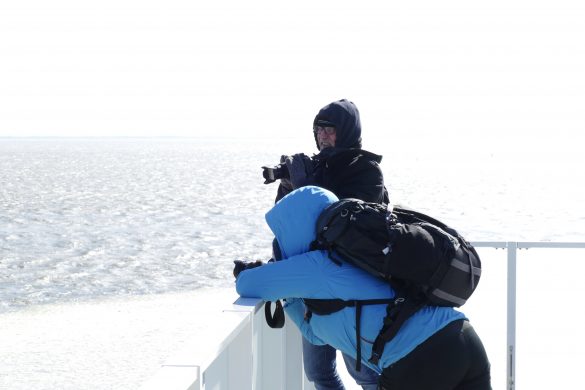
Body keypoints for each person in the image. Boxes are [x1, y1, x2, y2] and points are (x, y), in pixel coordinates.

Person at [235, 186, 492, 390]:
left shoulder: (319, 265)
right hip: (462, 338)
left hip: (417, 360)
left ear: (294, 228)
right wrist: (289, 295)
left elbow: (248, 283)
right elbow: (315, 334)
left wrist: (265, 271)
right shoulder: (351, 261)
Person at [266, 99, 387, 389]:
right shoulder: (318, 166)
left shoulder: (366, 171)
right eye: (318, 129)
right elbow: (287, 221)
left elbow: (351, 218)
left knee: (365, 374)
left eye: (330, 130)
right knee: (318, 372)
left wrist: (310, 186)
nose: (323, 136)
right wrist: (290, 187)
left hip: (350, 287)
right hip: (313, 286)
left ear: (346, 131)